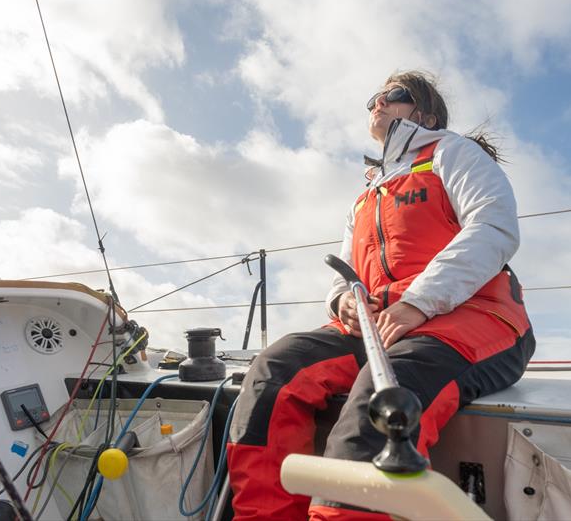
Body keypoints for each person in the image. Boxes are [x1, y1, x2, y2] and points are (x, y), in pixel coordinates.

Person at [225, 71, 535, 520]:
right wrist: (343, 303)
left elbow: (494, 226)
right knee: (274, 370)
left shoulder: (452, 153)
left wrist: (417, 303)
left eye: (394, 95)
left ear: (425, 114)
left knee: (380, 396)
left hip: (476, 315)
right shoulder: (365, 195)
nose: (378, 103)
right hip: (383, 324)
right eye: (375, 97)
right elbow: (346, 270)